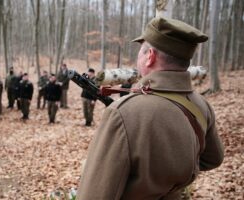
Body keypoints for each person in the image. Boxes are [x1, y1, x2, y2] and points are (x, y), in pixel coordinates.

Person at [77, 17, 224, 200]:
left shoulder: (123, 113)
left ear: (150, 57)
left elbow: (94, 195)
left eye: (141, 50)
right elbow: (213, 159)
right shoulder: (202, 105)